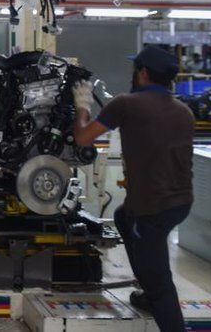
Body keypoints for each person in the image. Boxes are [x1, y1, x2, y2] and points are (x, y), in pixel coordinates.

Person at [71, 46, 193, 332]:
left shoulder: (127, 104)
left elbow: (83, 138)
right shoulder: (184, 112)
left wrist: (82, 105)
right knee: (124, 218)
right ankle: (150, 291)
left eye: (135, 69)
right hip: (181, 202)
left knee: (160, 281)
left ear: (143, 73)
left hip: (151, 208)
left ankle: (157, 300)